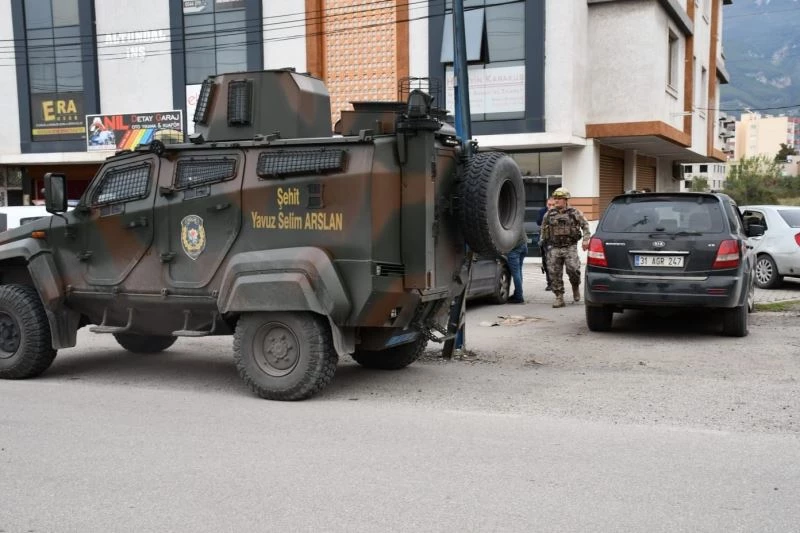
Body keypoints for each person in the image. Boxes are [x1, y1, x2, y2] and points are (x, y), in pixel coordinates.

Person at [539, 187, 591, 308]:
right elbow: (543, 228)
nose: (556, 201)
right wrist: (543, 241)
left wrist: (586, 240)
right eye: (555, 198)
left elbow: (585, 226)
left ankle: (575, 285)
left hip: (569, 247)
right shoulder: (549, 214)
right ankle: (559, 297)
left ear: (566, 200)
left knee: (573, 269)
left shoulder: (574, 213)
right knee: (554, 273)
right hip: (554, 247)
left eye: (559, 199)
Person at [536, 197, 555, 291]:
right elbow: (538, 222)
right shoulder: (542, 211)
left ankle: (556, 282)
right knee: (546, 262)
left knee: (554, 262)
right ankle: (549, 283)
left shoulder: (558, 212)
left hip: (555, 241)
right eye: (549, 205)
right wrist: (548, 213)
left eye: (553, 205)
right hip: (544, 240)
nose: (551, 206)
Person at [506, 226, 528, 304]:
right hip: (523, 245)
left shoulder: (505, 220)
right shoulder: (515, 215)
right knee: (519, 271)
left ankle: (519, 297)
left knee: (516, 273)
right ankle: (517, 294)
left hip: (514, 248)